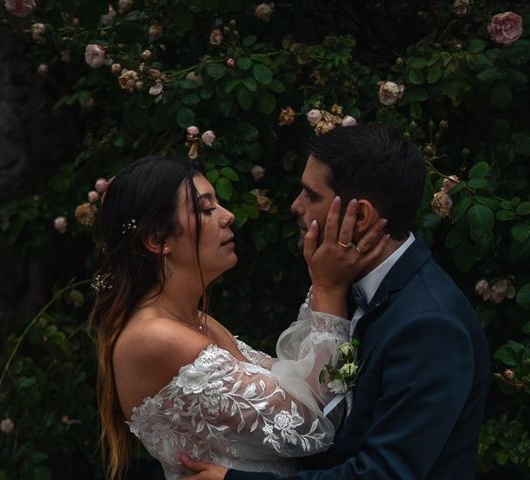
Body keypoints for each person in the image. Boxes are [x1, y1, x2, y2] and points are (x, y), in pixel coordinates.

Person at [181, 123, 491, 480]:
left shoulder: (430, 325)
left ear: (359, 216)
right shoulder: (342, 282)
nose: (296, 206)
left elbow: (382, 474)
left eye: (311, 195)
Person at [88, 155, 387, 480]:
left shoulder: (197, 320)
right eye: (205, 209)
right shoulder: (158, 337)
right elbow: (314, 425)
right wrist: (328, 288)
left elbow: (301, 383)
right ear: (158, 241)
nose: (228, 216)